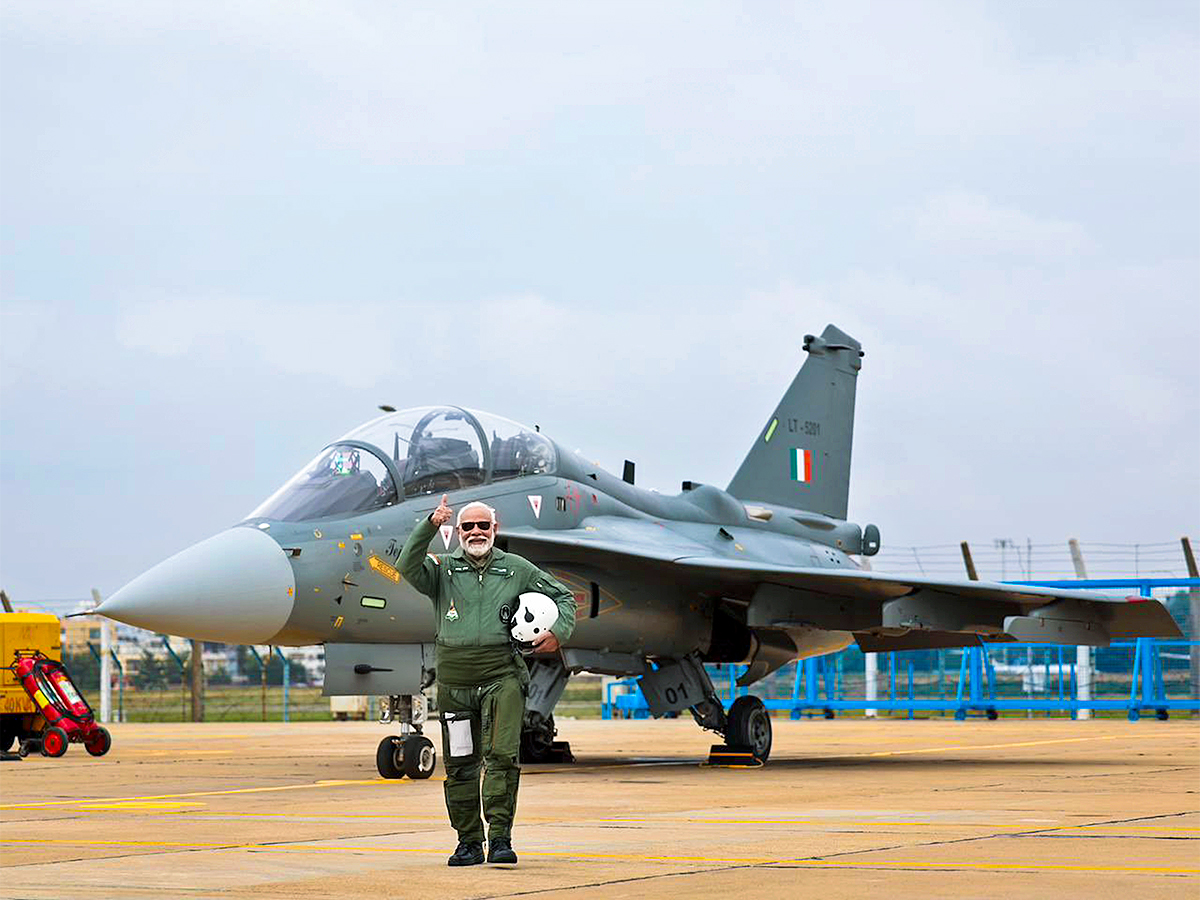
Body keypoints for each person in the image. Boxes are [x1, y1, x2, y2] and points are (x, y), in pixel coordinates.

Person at [398, 494, 577, 867]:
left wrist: (559, 631)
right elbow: (406, 565)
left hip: (502, 678)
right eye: (468, 526)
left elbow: (563, 596)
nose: (476, 532)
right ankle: (467, 842)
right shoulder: (442, 570)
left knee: (501, 758)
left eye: (484, 525)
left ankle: (499, 839)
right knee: (461, 763)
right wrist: (430, 524)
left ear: (495, 529)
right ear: (457, 532)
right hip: (456, 684)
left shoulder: (516, 569)